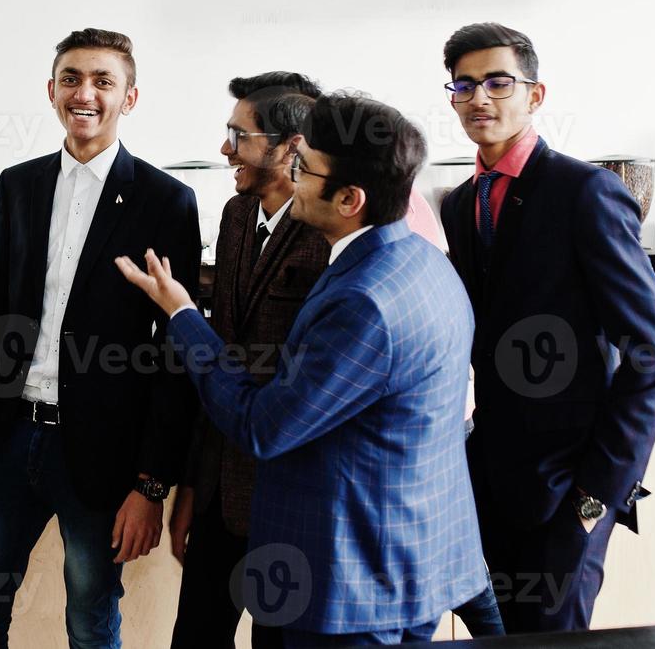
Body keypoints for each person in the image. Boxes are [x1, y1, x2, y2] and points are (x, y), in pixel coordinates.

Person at [117, 91, 489, 647]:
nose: (293, 174)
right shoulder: (423, 263)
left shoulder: (364, 301)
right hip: (410, 571)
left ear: (348, 199)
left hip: (352, 591)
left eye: (304, 167)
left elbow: (264, 425)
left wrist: (183, 315)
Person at [0, 27, 201, 648]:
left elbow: (175, 352)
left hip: (103, 453)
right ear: (51, 90)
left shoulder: (167, 200)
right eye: (71, 79)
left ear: (130, 98)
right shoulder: (19, 185)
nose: (84, 93)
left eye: (103, 81)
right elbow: (0, 319)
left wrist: (151, 485)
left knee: (91, 615)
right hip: (11, 438)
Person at [438, 22, 655, 633]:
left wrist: (596, 496)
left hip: (570, 491)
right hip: (489, 485)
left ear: (535, 95)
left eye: (498, 82)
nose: (479, 98)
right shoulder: (461, 203)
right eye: (463, 86)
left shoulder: (585, 192)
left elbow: (652, 352)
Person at [169, 73, 328, 649]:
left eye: (239, 135)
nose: (224, 148)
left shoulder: (329, 232)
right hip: (218, 494)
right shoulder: (236, 216)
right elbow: (220, 358)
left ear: (290, 147)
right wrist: (190, 487)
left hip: (294, 507)